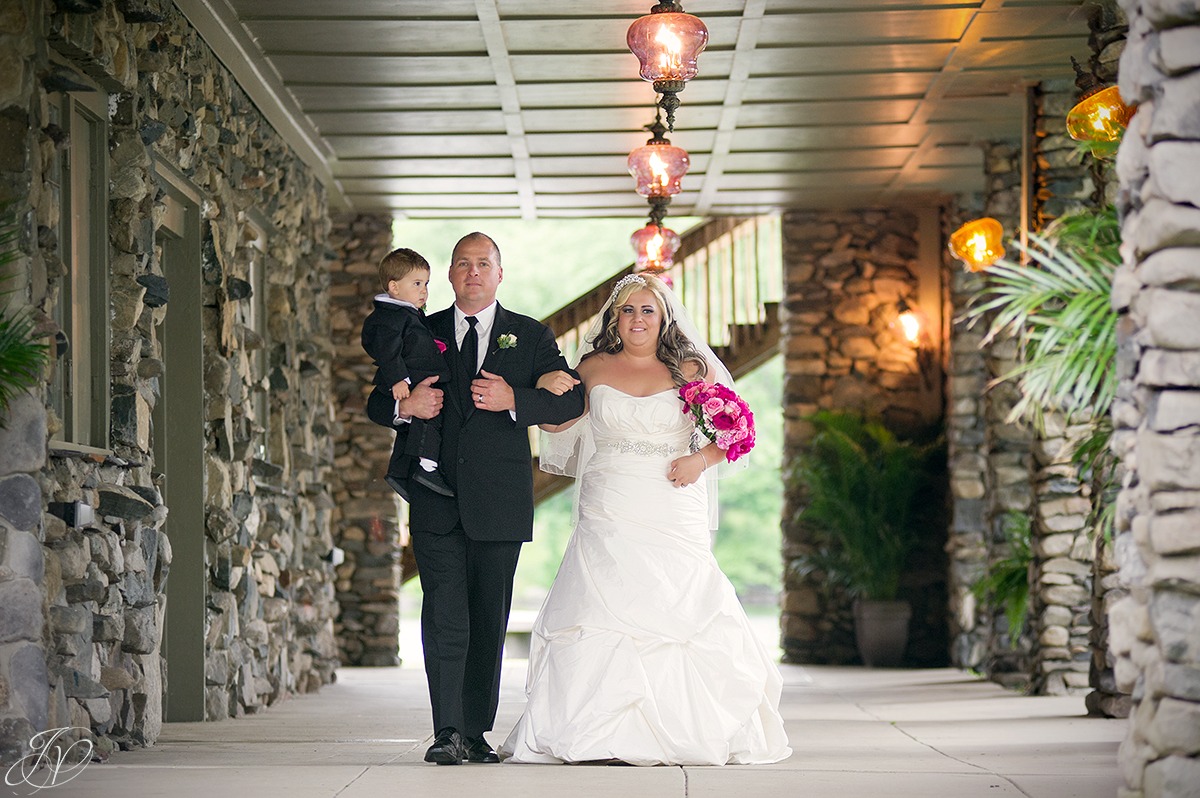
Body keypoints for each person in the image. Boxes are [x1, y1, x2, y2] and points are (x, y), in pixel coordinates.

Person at [500, 273, 792, 766]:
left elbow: (737, 430)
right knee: (600, 605)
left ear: (664, 318)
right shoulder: (592, 367)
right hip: (608, 498)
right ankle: (592, 729)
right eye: (628, 310)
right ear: (615, 317)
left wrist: (700, 461)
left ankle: (687, 727)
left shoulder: (691, 368)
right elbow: (557, 422)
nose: (637, 319)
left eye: (647, 311)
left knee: (679, 603)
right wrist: (535, 388)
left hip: (672, 498)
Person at [396, 232, 585, 766]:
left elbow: (571, 397)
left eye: (484, 264)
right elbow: (376, 398)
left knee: (487, 619)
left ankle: (477, 731)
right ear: (450, 276)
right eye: (463, 264)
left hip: (499, 502)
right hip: (433, 499)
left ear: (500, 274)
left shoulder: (529, 336)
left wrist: (515, 400)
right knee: (444, 616)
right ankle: (447, 731)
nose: (473, 272)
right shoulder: (420, 331)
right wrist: (407, 404)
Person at [361, 247, 455, 500]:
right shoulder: (389, 318)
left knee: (431, 417)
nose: (424, 290)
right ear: (394, 287)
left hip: (419, 378)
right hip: (408, 381)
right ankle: (425, 467)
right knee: (428, 417)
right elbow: (387, 350)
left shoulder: (407, 313)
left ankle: (420, 467)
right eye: (416, 283)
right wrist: (398, 380)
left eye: (425, 283)